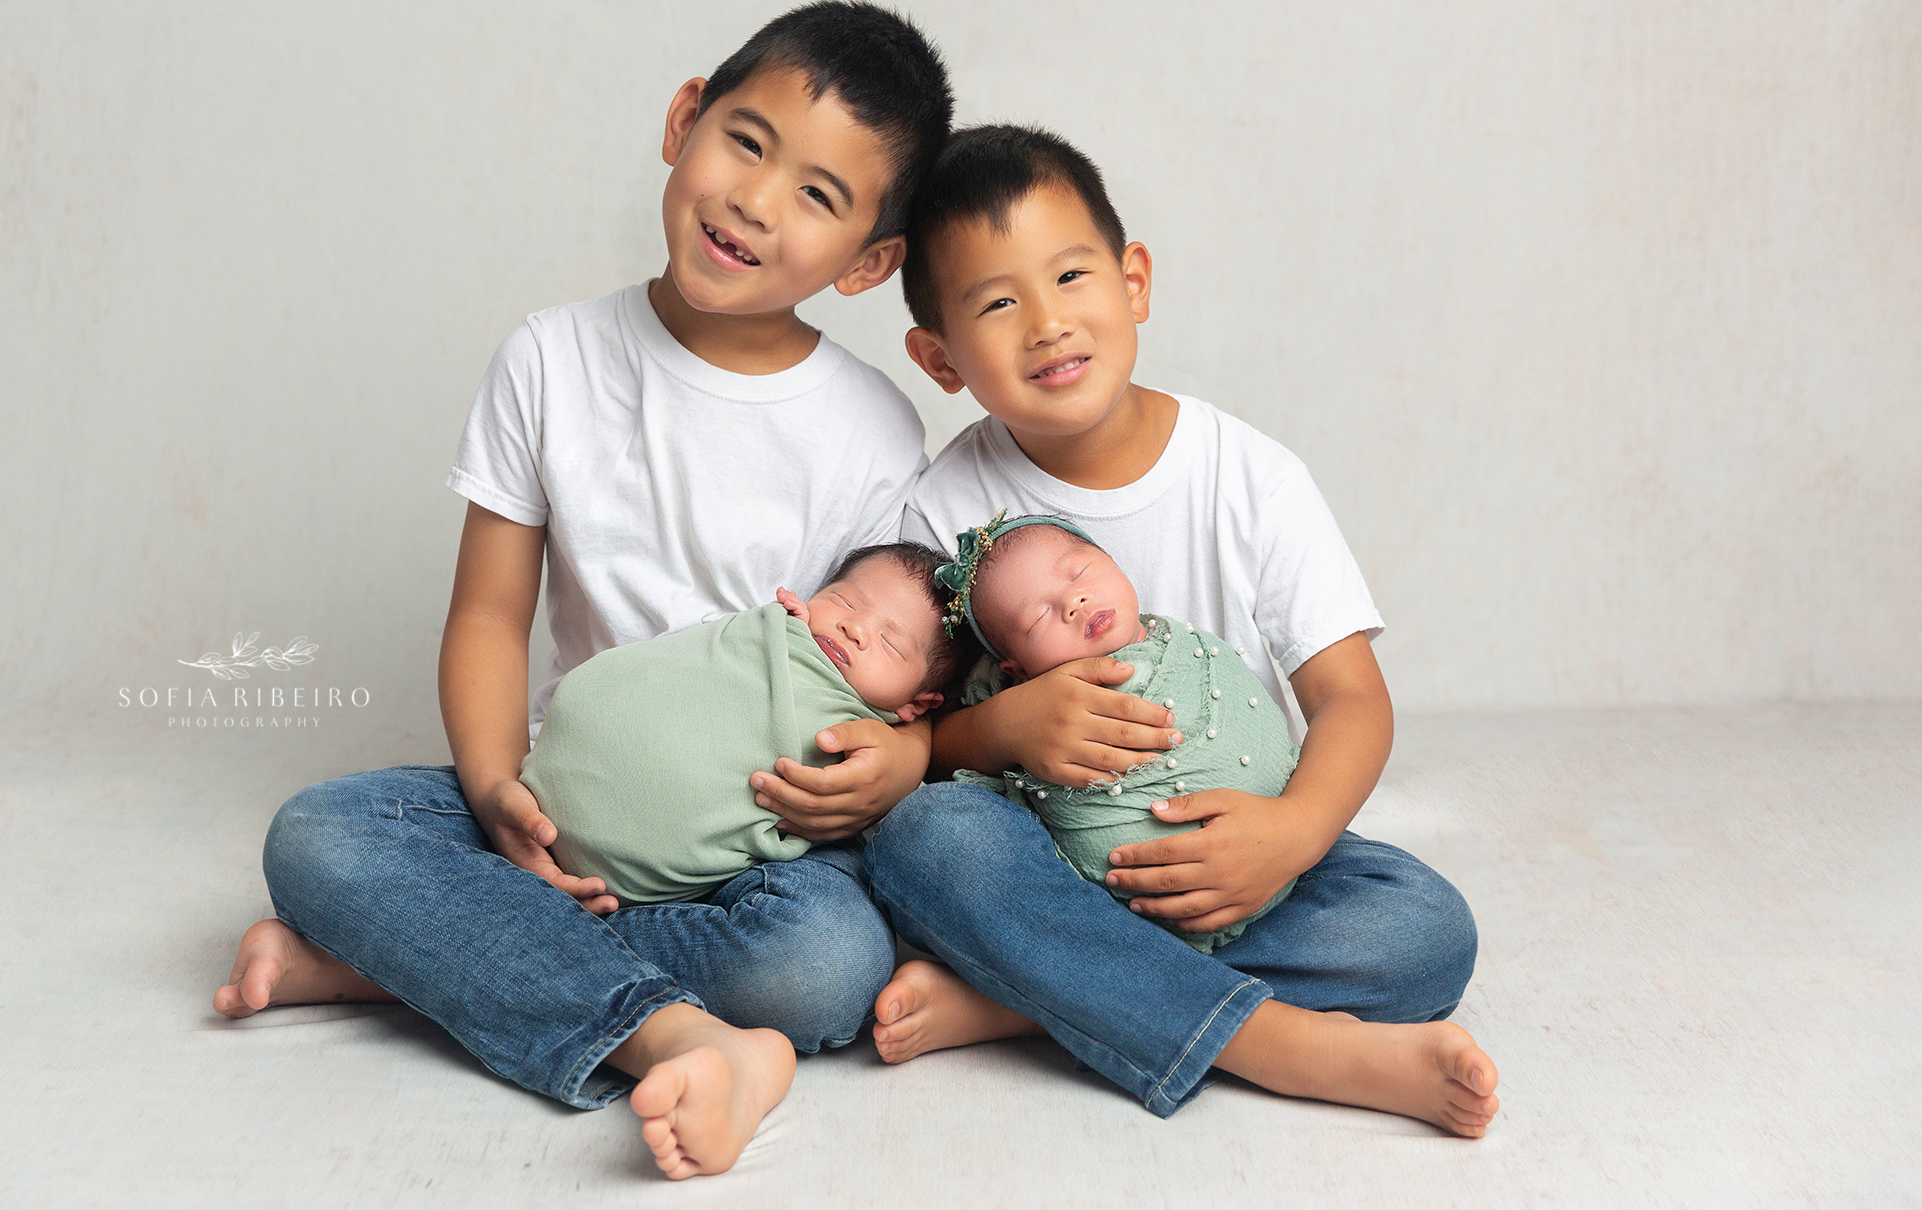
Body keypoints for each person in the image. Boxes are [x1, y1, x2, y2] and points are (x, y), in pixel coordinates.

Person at [211, 0, 954, 1179]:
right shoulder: (550, 359)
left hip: (744, 842)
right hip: (565, 797)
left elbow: (887, 662)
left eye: (817, 195)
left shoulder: (868, 429)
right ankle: (689, 1037)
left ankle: (385, 967)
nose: (755, 201)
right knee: (323, 836)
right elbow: (490, 613)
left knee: (820, 965)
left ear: (869, 262)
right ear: (682, 120)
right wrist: (496, 784)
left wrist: (891, 767)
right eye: (745, 142)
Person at [867, 124, 1502, 1137]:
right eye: (996, 301)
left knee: (1425, 933)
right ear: (937, 357)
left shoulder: (1247, 477)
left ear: (1133, 283)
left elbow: (1350, 701)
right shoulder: (940, 516)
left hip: (1230, 858)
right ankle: (1280, 1046)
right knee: (920, 837)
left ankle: (1024, 1000)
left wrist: (1289, 836)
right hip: (1058, 860)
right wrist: (1002, 731)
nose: (1045, 324)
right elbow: (914, 744)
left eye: (1070, 276)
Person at [521, 543, 972, 906]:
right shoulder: (774, 628)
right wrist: (781, 624)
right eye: (844, 601)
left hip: (639, 877)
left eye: (890, 643)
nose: (854, 627)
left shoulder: (870, 741)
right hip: (534, 773)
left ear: (918, 704)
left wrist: (908, 754)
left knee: (833, 946)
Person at [934, 512, 1300, 953]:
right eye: (1036, 619)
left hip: (1276, 858)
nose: (1073, 602)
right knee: (933, 833)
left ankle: (1058, 998)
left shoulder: (1186, 640)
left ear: (1113, 560)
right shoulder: (1030, 704)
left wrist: (1302, 827)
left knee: (1397, 920)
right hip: (1112, 917)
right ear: (1016, 670)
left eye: (1080, 572)